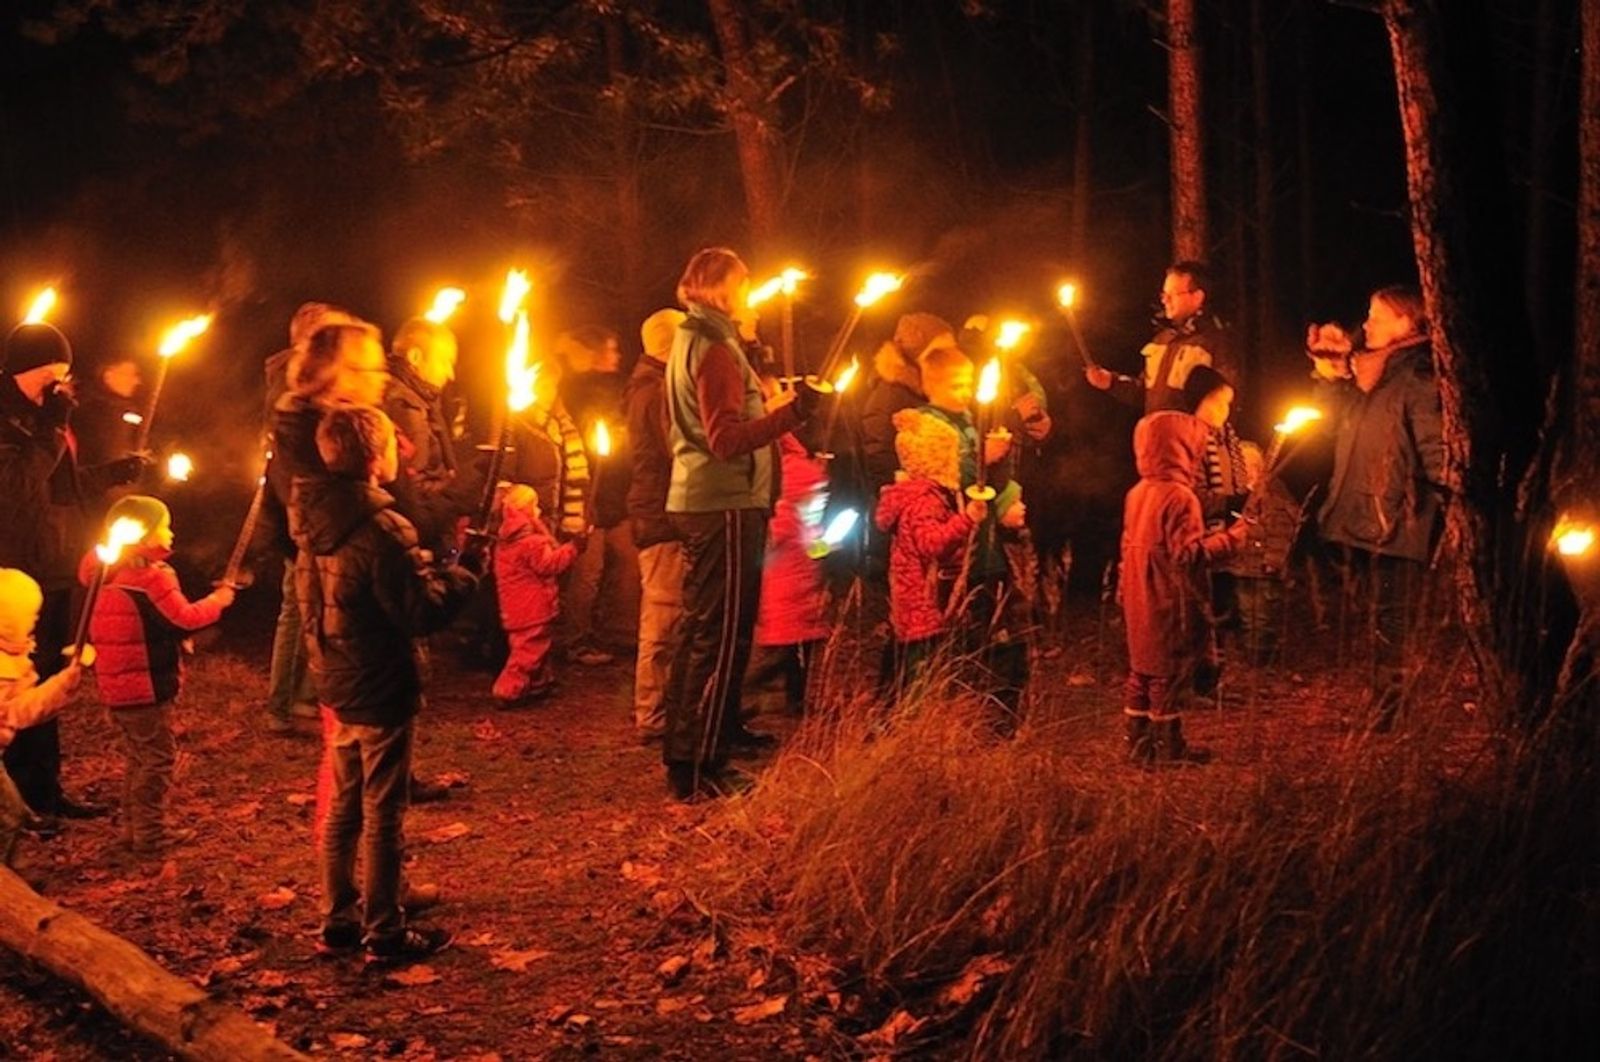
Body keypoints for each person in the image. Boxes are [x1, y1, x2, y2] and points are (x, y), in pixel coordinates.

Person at [292, 405, 477, 962]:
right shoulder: (382, 527)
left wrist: (430, 567)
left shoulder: (313, 520)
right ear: (376, 456)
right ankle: (385, 931)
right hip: (380, 683)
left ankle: (337, 921)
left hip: (338, 679)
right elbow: (419, 612)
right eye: (393, 444)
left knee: (344, 807)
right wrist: (461, 578)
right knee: (383, 813)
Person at [660, 247, 818, 800]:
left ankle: (713, 734)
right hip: (721, 503)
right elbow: (725, 439)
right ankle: (698, 762)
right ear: (721, 290)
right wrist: (791, 415)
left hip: (714, 500)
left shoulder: (697, 337)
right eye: (744, 285)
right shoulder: (713, 348)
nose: (752, 296)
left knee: (708, 631)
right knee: (718, 635)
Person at [1, 322, 139, 825]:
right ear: (26, 370)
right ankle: (17, 801)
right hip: (17, 572)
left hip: (56, 563)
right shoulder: (10, 419)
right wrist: (52, 428)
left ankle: (46, 790)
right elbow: (16, 488)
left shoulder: (44, 417)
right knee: (17, 684)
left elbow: (58, 486)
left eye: (64, 375)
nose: (59, 385)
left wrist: (110, 475)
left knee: (51, 677)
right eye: (51, 375)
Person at [1307, 284, 1446, 731]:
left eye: (1377, 317)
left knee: (1391, 620)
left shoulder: (1417, 377)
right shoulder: (1371, 376)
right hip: (1357, 516)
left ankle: (1389, 715)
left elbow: (1436, 452)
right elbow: (1328, 425)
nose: (1366, 325)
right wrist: (1329, 375)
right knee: (1372, 617)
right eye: (1368, 316)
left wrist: (1450, 510)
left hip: (1396, 522)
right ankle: (1381, 706)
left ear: (1406, 322)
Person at [80, 495, 235, 858]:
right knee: (157, 761)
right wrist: (218, 601)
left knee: (139, 758)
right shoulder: (150, 578)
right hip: (145, 687)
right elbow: (184, 619)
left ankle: (133, 830)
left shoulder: (105, 570)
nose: (171, 532)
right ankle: (151, 835)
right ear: (145, 534)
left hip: (117, 686)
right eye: (164, 526)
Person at [1120, 410, 1246, 764]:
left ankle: (1137, 742)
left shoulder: (1137, 492)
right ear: (1180, 449)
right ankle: (1168, 747)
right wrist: (1230, 540)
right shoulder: (1179, 497)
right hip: (1167, 596)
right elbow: (1187, 555)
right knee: (1167, 671)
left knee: (1142, 668)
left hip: (1139, 593)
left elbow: (1127, 545)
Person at [917, 346, 1030, 730]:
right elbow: (947, 474)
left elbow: (989, 478)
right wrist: (984, 456)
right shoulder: (929, 425)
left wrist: (1005, 479)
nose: (965, 391)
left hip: (986, 546)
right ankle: (966, 712)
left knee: (1001, 627)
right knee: (966, 631)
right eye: (956, 385)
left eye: (969, 383)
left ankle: (1002, 711)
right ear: (930, 385)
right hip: (957, 551)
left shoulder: (967, 419)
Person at [260, 304, 359, 736]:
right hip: (302, 512)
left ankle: (303, 698)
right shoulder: (292, 384)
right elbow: (292, 455)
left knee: (312, 609)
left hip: (308, 510)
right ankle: (281, 705)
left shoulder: (302, 383)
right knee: (297, 609)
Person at [874, 408, 989, 697]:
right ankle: (914, 717)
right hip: (922, 605)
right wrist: (966, 520)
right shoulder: (924, 501)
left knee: (918, 669)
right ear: (937, 460)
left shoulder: (919, 494)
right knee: (921, 676)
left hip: (915, 602)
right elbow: (932, 544)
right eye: (952, 456)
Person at [556, 326, 640, 665]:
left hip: (617, 494)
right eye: (610, 349)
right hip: (589, 497)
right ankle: (576, 639)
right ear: (593, 354)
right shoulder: (575, 391)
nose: (617, 356)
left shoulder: (619, 388)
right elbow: (586, 433)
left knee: (629, 563)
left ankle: (621, 631)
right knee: (587, 572)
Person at [626, 309, 687, 741]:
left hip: (659, 511)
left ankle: (662, 707)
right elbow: (677, 451)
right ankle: (652, 713)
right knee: (662, 618)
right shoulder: (657, 392)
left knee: (667, 615)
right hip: (661, 516)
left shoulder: (648, 386)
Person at [0, 569, 82, 866]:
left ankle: (11, 874)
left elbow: (27, 707)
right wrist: (61, 685)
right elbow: (19, 712)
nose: (36, 619)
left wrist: (64, 682)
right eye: (29, 614)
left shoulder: (13, 656)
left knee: (11, 814)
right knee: (9, 815)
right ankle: (7, 881)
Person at [748, 434, 832, 715]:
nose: (820, 498)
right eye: (816, 492)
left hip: (803, 596)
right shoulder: (784, 518)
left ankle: (795, 701)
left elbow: (810, 550)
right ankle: (746, 691)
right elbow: (773, 545)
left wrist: (823, 546)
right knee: (782, 655)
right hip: (785, 598)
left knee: (800, 653)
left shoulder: (805, 520)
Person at [1085, 261, 1233, 413]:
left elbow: (1228, 399)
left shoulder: (1215, 342)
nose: (1165, 300)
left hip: (1190, 429)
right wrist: (1111, 382)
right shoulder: (1161, 341)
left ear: (1197, 297)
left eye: (1172, 294)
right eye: (1164, 294)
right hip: (1155, 428)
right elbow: (1144, 394)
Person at [384, 317, 470, 553]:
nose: (450, 374)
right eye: (444, 361)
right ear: (415, 357)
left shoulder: (418, 400)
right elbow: (413, 486)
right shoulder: (406, 406)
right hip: (420, 541)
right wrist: (458, 494)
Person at [492, 484, 580, 706]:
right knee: (528, 653)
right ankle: (507, 691)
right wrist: (573, 548)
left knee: (533, 649)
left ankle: (538, 684)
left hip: (516, 608)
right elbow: (550, 565)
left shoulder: (506, 542)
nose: (539, 510)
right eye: (535, 506)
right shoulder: (531, 543)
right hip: (533, 609)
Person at [1221, 442, 1303, 665]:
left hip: (1262, 568)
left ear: (1259, 466)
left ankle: (1262, 658)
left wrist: (1273, 560)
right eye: (1240, 464)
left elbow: (1282, 528)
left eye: (1249, 464)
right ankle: (1249, 655)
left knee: (1261, 615)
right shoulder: (1238, 493)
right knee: (1244, 613)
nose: (1244, 469)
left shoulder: (1273, 492)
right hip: (1241, 566)